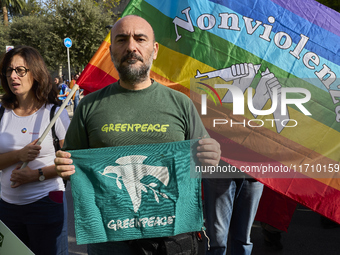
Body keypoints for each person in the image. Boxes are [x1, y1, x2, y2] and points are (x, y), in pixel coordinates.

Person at [55, 15, 221, 255]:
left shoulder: (181, 104)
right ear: (111, 50)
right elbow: (73, 165)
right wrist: (63, 167)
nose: (131, 47)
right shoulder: (89, 106)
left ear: (154, 50)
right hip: (110, 241)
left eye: (139, 39)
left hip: (173, 239)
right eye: (122, 40)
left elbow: (202, 164)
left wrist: (211, 156)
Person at [0, 45, 70, 255]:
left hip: (47, 203)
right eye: (9, 70)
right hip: (7, 207)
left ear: (36, 73)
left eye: (20, 70)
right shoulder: (2, 113)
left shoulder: (55, 114)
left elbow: (70, 162)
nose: (13, 76)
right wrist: (18, 156)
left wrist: (35, 175)